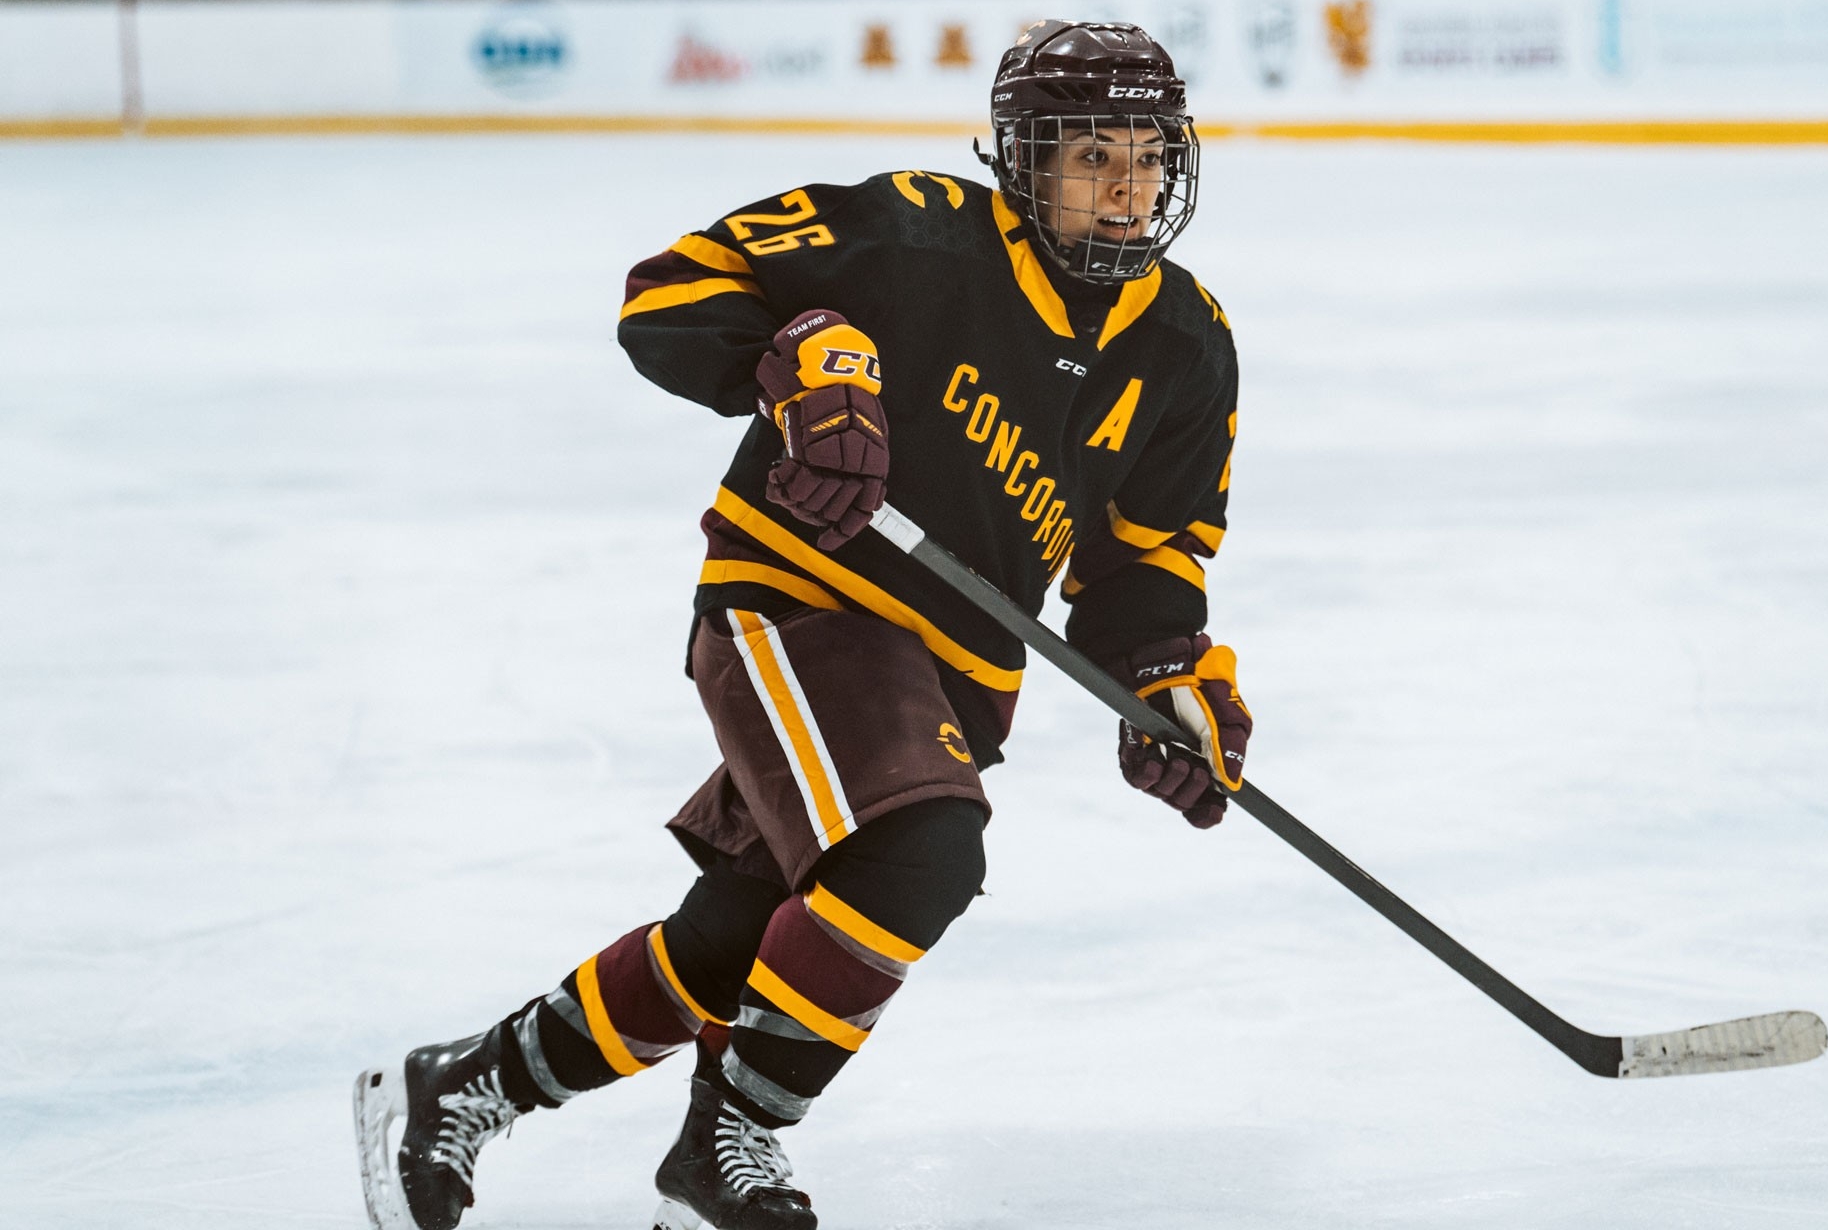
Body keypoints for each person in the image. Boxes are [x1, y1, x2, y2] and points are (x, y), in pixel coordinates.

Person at [352, 19, 1253, 1230]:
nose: (1127, 185)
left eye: (1146, 154)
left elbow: (1147, 562)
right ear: (1022, 162)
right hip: (799, 599)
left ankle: (468, 1084)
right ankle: (730, 1143)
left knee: (737, 942)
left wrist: (1168, 682)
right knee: (925, 852)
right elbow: (670, 291)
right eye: (1090, 154)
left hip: (957, 678)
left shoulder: (1187, 347)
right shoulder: (911, 232)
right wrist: (808, 357)